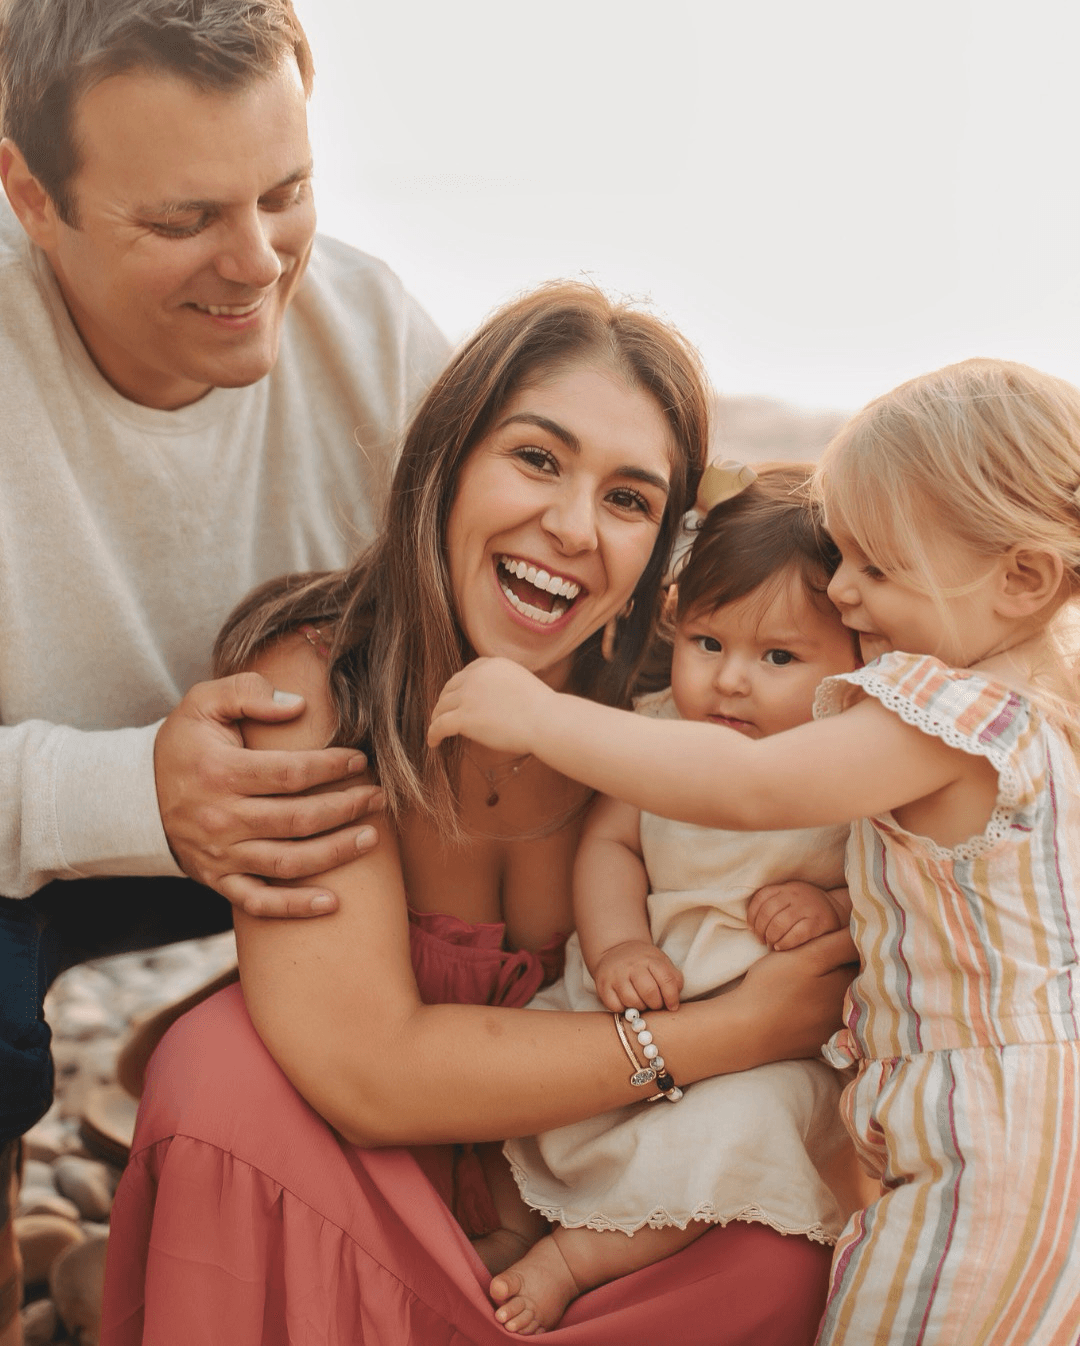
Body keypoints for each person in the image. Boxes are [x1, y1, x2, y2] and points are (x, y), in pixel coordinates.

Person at [102, 283, 856, 1346]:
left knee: (778, 1238)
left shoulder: (670, 702)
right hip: (361, 1159)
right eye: (538, 459)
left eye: (629, 499)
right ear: (447, 459)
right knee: (218, 1077)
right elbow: (368, 1069)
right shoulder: (321, 683)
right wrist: (731, 1029)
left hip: (588, 1185)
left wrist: (809, 905)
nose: (571, 527)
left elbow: (837, 815)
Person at [429, 356, 1080, 1344]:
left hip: (985, 1112)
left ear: (1021, 577)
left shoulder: (949, 710)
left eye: (877, 567)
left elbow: (751, 786)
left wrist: (542, 717)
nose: (846, 595)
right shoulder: (1044, 713)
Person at [0, 0, 446, 1336]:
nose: (257, 262)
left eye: (287, 193)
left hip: (299, 833)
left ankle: (180, 1117)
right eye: (183, 219)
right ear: (28, 191)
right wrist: (134, 789)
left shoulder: (369, 330)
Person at [476, 462, 859, 1335]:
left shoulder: (846, 767)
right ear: (676, 624)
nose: (730, 681)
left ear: (853, 663)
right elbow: (611, 845)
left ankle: (574, 1258)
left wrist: (830, 904)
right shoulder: (653, 737)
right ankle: (511, 1220)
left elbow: (884, 887)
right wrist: (617, 947)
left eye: (779, 658)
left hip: (760, 1047)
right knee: (530, 1078)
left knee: (744, 1132)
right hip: (638, 991)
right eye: (709, 644)